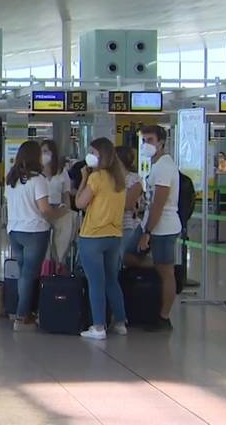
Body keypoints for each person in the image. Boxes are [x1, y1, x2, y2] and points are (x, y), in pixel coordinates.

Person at [124, 125, 182, 332]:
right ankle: (160, 265)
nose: (146, 144)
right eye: (143, 141)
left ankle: (164, 317)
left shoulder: (165, 167)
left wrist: (147, 233)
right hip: (148, 221)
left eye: (149, 140)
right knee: (127, 255)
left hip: (163, 227)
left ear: (161, 143)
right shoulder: (151, 165)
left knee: (166, 273)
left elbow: (159, 203)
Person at [5, 141, 67, 331]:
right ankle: (22, 317)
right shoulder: (38, 180)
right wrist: (60, 212)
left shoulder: (11, 180)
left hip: (15, 231)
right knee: (28, 274)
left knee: (23, 271)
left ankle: (22, 312)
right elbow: (45, 210)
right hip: (34, 232)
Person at [74, 137, 128, 340]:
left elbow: (80, 203)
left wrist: (83, 179)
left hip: (93, 236)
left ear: (101, 155)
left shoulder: (96, 179)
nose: (89, 156)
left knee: (96, 282)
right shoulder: (120, 178)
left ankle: (98, 327)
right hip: (114, 236)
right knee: (111, 280)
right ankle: (121, 322)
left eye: (92, 153)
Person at [41, 140, 75, 269]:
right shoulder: (36, 173)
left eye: (46, 151)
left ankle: (59, 261)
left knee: (66, 224)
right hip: (42, 209)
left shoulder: (62, 172)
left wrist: (66, 208)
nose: (43, 155)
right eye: (41, 152)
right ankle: (46, 264)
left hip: (58, 208)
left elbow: (66, 197)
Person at [116, 146, 144, 261]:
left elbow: (128, 204)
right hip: (112, 226)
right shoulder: (110, 178)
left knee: (123, 258)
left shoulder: (134, 179)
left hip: (128, 225)